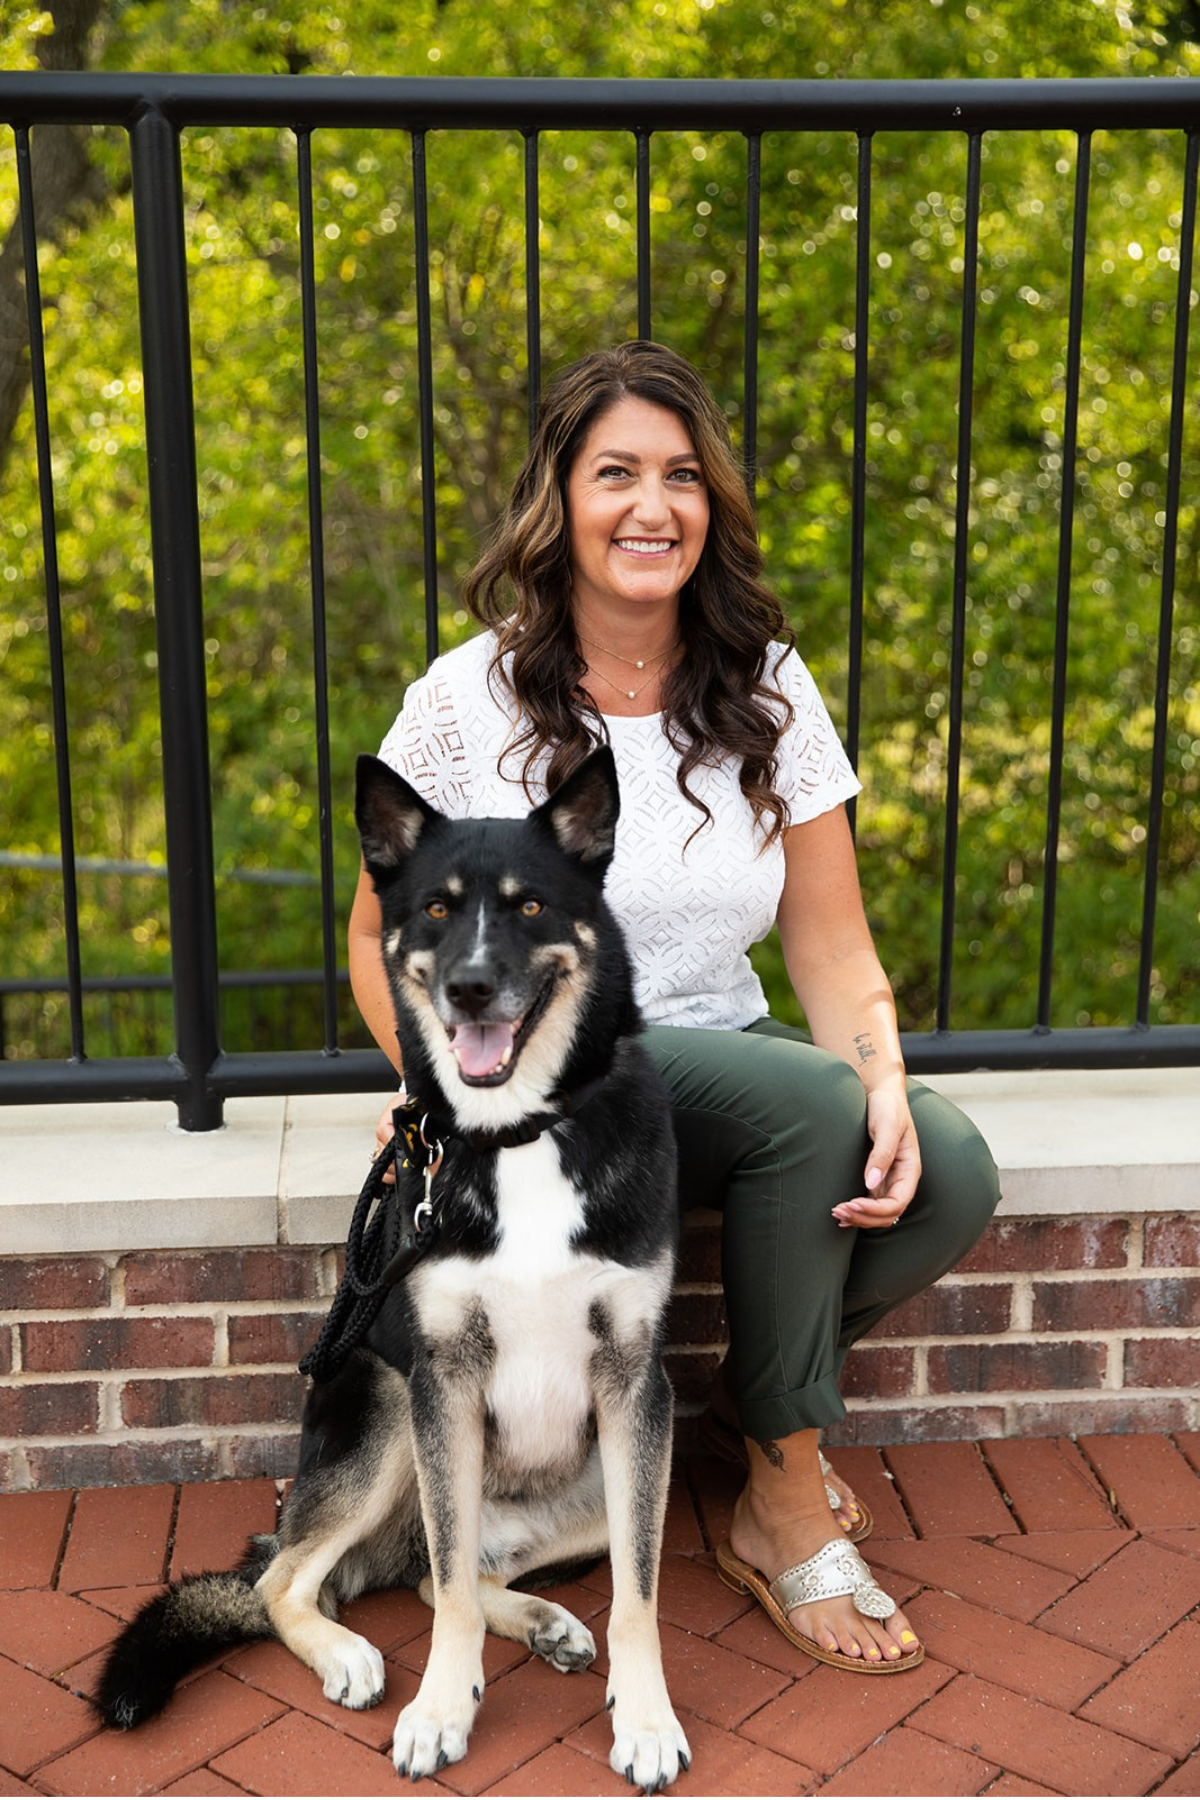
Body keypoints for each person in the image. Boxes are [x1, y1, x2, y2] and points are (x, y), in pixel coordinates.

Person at [349, 341, 1000, 1675]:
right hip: (555, 1087)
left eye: (682, 477)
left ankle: (731, 1415)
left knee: (948, 1175)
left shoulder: (766, 688)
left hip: (727, 1065)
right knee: (812, 1106)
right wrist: (441, 1085)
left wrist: (881, 1078)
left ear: (713, 509)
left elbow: (832, 944)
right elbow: (375, 932)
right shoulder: (468, 700)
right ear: (561, 501)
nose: (653, 506)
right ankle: (778, 1495)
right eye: (616, 474)